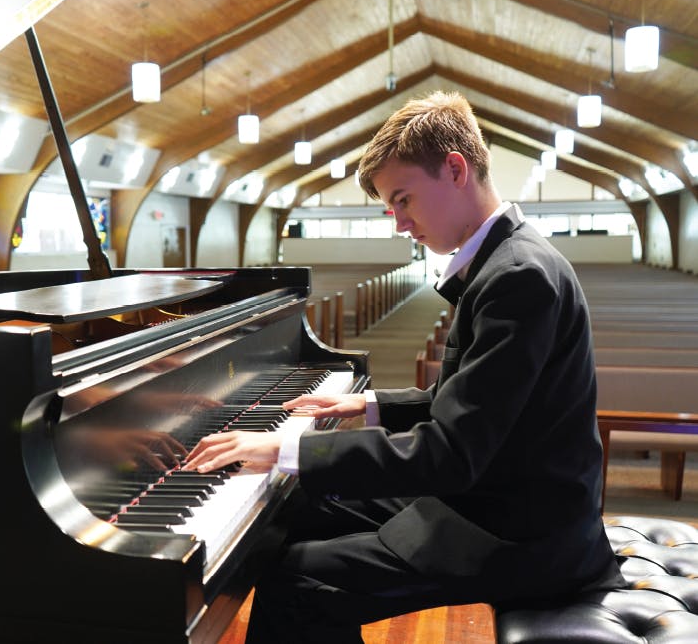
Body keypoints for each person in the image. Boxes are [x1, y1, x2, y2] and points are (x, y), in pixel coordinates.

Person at [183, 90, 624, 642]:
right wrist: (365, 404)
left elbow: (452, 453)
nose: (398, 223)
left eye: (404, 199)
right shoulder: (507, 261)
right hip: (497, 497)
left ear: (456, 169)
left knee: (296, 582)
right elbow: (466, 404)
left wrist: (283, 449)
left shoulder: (517, 277)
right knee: (291, 517)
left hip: (519, 532)